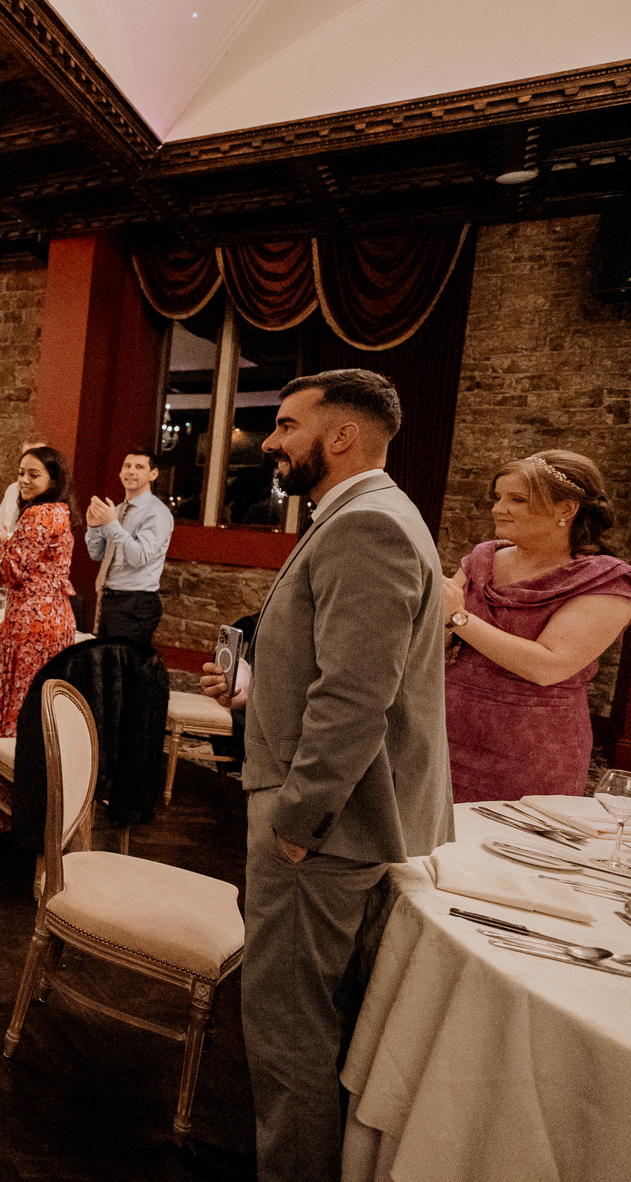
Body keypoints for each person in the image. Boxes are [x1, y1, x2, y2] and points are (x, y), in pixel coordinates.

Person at [200, 368, 452, 1182]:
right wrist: (249, 697)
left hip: (326, 830)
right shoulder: (370, 513)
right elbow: (329, 669)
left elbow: (353, 699)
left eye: (286, 425)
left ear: (340, 435)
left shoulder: (365, 525)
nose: (269, 441)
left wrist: (297, 823)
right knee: (314, 1022)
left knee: (289, 1032)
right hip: (339, 821)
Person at [443, 450, 631, 802]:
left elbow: (547, 665)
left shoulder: (606, 581)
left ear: (565, 509)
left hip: (531, 751)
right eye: (498, 497)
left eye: (517, 499)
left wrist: (457, 617)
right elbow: (442, 641)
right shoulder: (483, 558)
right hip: (445, 732)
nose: (499, 508)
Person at [0, 446, 76, 823]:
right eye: (21, 473)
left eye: (34, 474)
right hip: (52, 618)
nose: (24, 481)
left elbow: (10, 573)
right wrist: (4, 541)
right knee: (33, 706)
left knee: (18, 705)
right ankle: (29, 807)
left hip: (32, 624)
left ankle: (10, 808)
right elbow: (28, 563)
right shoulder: (58, 513)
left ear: (53, 480)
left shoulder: (40, 514)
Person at [84, 448, 173, 643]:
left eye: (139, 467)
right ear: (120, 472)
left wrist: (111, 524)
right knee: (107, 664)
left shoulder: (157, 513)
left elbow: (139, 557)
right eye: (127, 466)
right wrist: (92, 527)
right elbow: (96, 554)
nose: (131, 471)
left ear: (153, 474)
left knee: (124, 667)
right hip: (109, 599)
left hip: (136, 602)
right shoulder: (116, 510)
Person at [0, 436, 48, 532]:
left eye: (36, 458)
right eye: (25, 456)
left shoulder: (52, 504)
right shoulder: (13, 489)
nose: (29, 462)